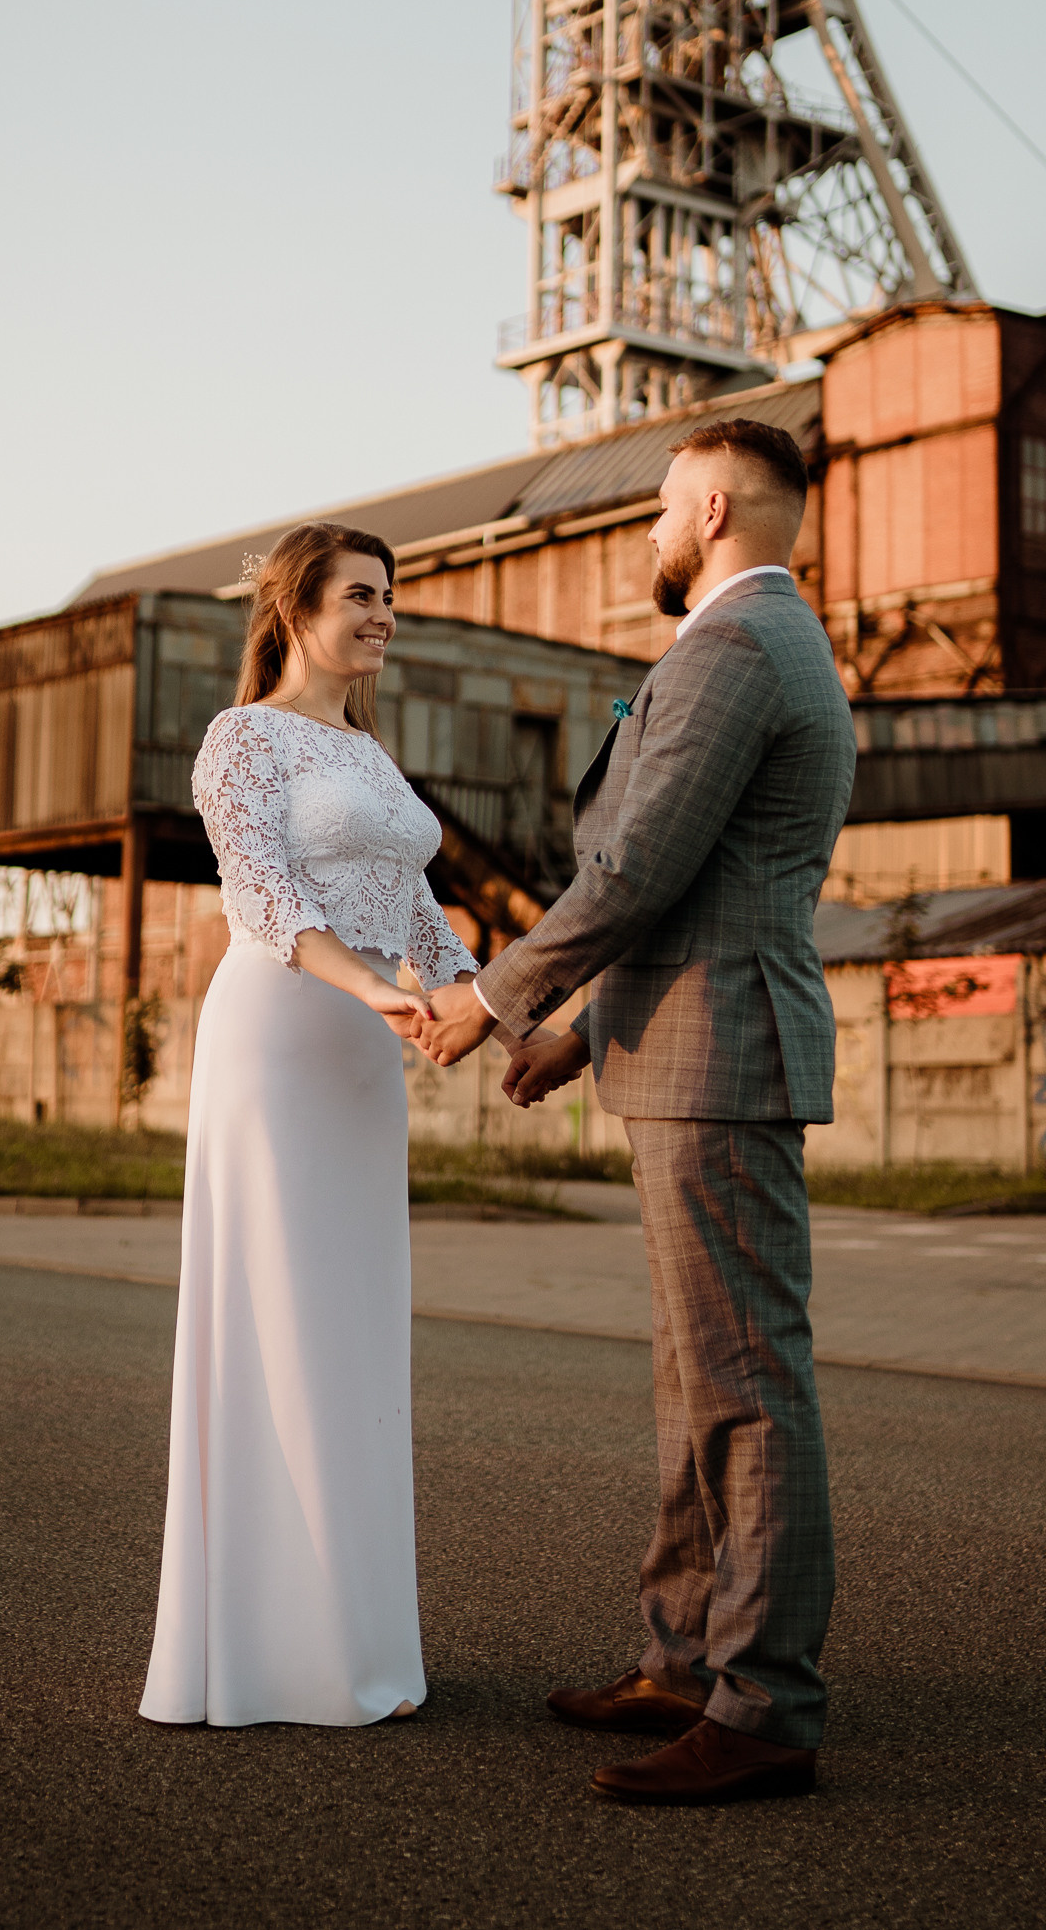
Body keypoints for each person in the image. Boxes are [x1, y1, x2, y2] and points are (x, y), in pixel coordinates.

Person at [421, 417, 857, 1805]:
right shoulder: (754, 644)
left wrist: (492, 1003)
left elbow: (643, 869)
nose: (651, 535)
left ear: (715, 506)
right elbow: (705, 883)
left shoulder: (737, 648)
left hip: (722, 1060)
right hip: (684, 1040)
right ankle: (683, 1656)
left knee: (744, 1387)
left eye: (665, 510)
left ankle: (768, 1706)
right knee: (694, 1380)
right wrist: (582, 1031)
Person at [140, 522, 481, 1729]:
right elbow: (265, 897)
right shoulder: (245, 740)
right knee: (276, 1317)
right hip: (282, 1036)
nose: (382, 614)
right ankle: (268, 1646)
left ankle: (354, 1633)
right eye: (360, 595)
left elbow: (422, 913)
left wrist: (495, 1009)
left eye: (390, 596)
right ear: (294, 607)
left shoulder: (368, 755)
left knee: (349, 1331)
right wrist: (382, 991)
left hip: (363, 1056)